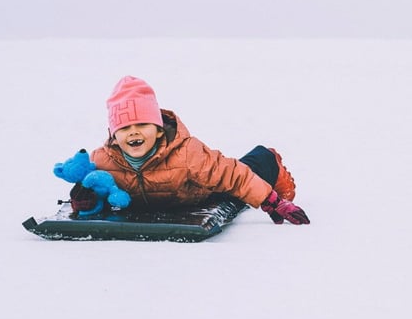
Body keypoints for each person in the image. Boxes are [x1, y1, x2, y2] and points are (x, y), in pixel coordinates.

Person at [65, 75, 310, 224]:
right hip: (156, 203)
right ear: (114, 136)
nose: (133, 132)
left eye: (142, 124)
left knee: (235, 180)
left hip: (201, 193)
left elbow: (232, 176)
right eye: (125, 127)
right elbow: (96, 189)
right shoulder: (101, 160)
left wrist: (272, 202)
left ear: (159, 130)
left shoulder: (186, 153)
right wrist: (86, 201)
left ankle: (268, 159)